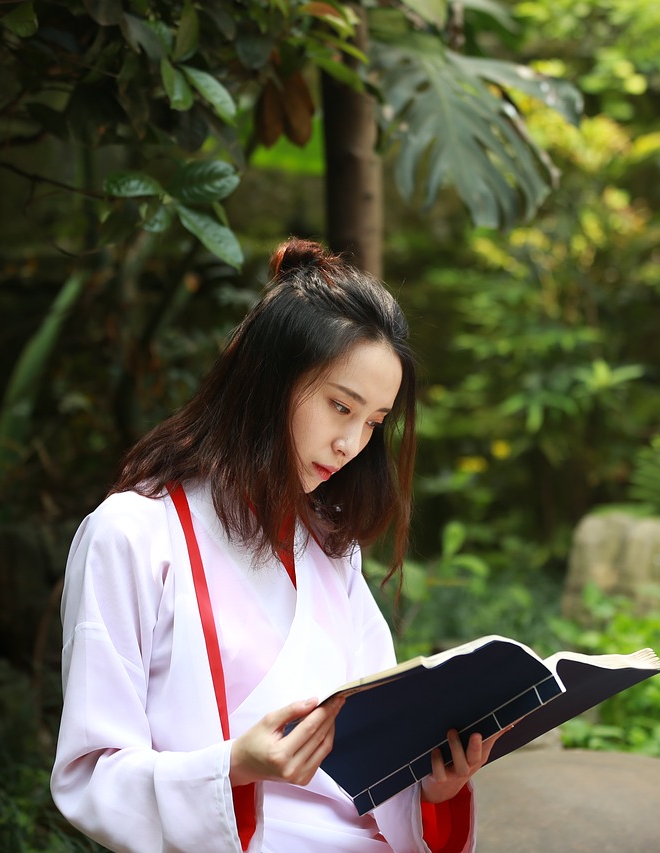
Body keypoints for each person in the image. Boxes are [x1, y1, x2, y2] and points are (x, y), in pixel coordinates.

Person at [50, 238, 500, 852]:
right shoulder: (131, 534)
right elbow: (89, 775)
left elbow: (377, 753)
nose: (351, 444)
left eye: (372, 423)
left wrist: (433, 787)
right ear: (267, 381)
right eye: (340, 406)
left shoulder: (330, 548)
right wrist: (233, 766)